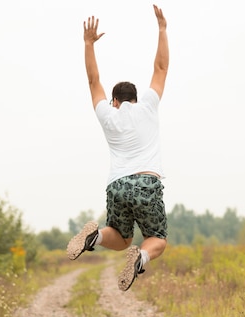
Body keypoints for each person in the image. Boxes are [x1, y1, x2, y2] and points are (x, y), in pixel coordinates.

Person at [66, 4, 170, 292]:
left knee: (120, 237)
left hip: (117, 185)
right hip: (147, 182)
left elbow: (93, 80)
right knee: (157, 238)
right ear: (135, 98)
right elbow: (160, 68)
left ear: (114, 101)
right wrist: (162, 29)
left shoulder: (107, 115)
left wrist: (88, 44)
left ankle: (95, 238)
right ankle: (142, 257)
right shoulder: (148, 105)